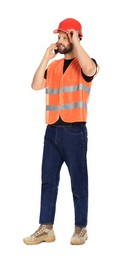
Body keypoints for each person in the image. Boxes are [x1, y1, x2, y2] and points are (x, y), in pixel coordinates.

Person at [23, 18, 99, 246]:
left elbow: (90, 69)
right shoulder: (54, 66)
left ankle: (80, 229)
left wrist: (77, 41)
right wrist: (46, 58)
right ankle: (46, 228)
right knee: (48, 181)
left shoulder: (86, 63)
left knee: (78, 182)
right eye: (60, 37)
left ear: (76, 38)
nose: (60, 41)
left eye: (65, 37)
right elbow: (36, 85)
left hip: (75, 132)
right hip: (52, 131)